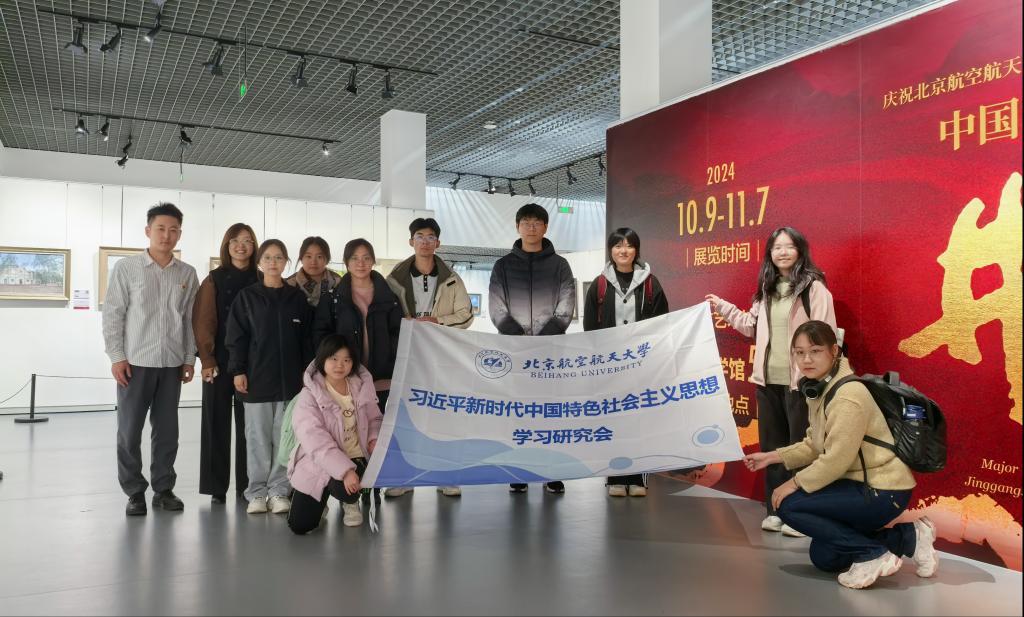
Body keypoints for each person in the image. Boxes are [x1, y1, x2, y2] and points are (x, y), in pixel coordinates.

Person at [743, 320, 937, 589]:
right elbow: (814, 445)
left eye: (815, 351)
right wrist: (772, 457)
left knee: (789, 505)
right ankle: (909, 537)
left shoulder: (847, 396)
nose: (806, 359)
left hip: (883, 490)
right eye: (799, 352)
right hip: (860, 485)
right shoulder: (821, 389)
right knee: (825, 556)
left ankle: (873, 555)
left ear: (834, 351)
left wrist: (793, 483)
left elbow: (835, 460)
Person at [705, 226, 836, 536]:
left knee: (802, 449)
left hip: (801, 384)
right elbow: (749, 325)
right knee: (772, 449)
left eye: (789, 246)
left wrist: (820, 376)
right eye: (777, 248)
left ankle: (802, 514)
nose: (783, 252)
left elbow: (826, 333)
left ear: (800, 251)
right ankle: (776, 510)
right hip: (767, 382)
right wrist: (723, 306)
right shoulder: (767, 289)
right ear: (770, 254)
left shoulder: (814, 288)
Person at [102, 202, 199, 516]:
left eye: (173, 230)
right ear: (148, 230)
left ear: (179, 234)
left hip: (171, 364)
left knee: (167, 431)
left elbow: (190, 320)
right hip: (135, 363)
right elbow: (113, 314)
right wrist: (117, 357)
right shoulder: (127, 268)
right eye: (160, 228)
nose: (166, 235)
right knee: (129, 430)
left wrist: (189, 359)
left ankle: (163, 488)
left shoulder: (187, 273)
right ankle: (134, 491)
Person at [489, 203, 575, 494]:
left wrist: (545, 338)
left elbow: (566, 305)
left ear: (546, 227)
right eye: (525, 222)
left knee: (550, 412)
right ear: (517, 227)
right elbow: (496, 306)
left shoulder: (560, 266)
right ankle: (519, 471)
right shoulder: (502, 266)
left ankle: (552, 471)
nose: (531, 227)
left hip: (550, 352)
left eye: (537, 222)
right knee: (518, 412)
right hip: (513, 353)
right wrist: (517, 337)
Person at [385, 217, 474, 498]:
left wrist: (438, 321)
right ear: (411, 241)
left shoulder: (451, 279)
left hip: (441, 356)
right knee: (405, 417)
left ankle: (445, 475)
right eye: (420, 237)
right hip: (407, 356)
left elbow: (466, 315)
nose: (425, 242)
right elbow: (384, 316)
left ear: (438, 243)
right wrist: (403, 322)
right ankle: (404, 477)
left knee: (442, 416)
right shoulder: (393, 279)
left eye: (430, 237)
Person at [226, 239, 314, 515]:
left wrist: (307, 376)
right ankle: (256, 492)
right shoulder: (247, 297)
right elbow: (236, 337)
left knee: (284, 438)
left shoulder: (297, 298)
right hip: (256, 380)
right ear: (260, 262)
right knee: (257, 439)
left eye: (278, 257)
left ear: (286, 262)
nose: (273, 262)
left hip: (290, 382)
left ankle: (279, 491)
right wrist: (238, 370)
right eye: (267, 257)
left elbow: (307, 341)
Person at [582, 228, 669, 497]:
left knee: (640, 421)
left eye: (629, 245)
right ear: (610, 250)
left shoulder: (651, 283)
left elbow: (662, 321)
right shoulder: (599, 284)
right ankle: (615, 477)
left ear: (636, 250)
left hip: (641, 365)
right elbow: (590, 327)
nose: (624, 251)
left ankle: (638, 477)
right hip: (610, 366)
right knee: (614, 421)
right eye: (618, 245)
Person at [192, 223, 260, 505]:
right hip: (218, 362)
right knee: (214, 423)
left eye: (247, 241)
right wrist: (207, 359)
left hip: (252, 364)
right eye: (235, 241)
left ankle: (248, 485)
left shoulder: (261, 278)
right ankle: (215, 487)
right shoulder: (214, 279)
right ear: (227, 245)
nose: (241, 246)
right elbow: (203, 321)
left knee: (250, 428)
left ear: (254, 246)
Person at [287, 335, 382, 534]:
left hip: (358, 457)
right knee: (300, 525)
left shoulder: (362, 386)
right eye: (334, 359)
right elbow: (315, 441)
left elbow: (375, 419)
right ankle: (325, 498)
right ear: (322, 360)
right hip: (320, 461)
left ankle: (350, 502)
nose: (340, 365)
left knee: (347, 490)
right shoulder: (309, 395)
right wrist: (345, 471)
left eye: (347, 360)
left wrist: (373, 439)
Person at [286, 236, 341, 308]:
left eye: (319, 257)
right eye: (308, 256)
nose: (313, 262)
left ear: (327, 260)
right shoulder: (290, 284)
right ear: (301, 259)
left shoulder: (337, 282)